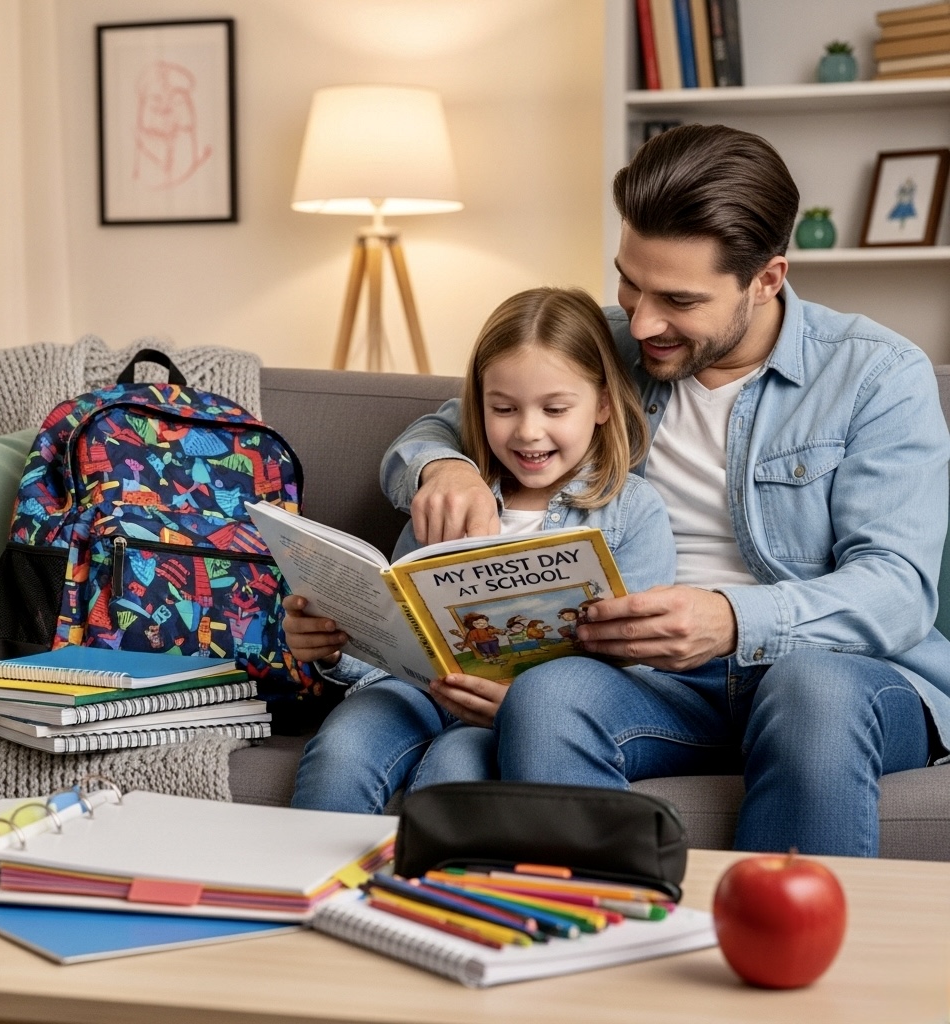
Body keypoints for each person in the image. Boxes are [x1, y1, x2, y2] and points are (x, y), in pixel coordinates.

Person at [379, 123, 950, 857]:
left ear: (767, 279)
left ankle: (792, 957)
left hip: (842, 678)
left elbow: (899, 589)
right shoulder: (610, 345)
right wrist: (442, 466)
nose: (642, 321)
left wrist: (734, 620)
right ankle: (590, 940)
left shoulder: (875, 375)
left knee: (810, 689)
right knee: (551, 695)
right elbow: (432, 429)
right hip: (659, 684)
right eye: (628, 281)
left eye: (677, 298)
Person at [283, 287, 677, 813]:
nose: (528, 431)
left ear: (603, 403)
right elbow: (397, 625)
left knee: (455, 768)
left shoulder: (633, 510)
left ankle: (427, 896)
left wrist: (527, 708)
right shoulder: (451, 496)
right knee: (341, 750)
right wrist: (334, 645)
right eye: (504, 408)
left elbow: (637, 664)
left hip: (524, 712)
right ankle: (310, 892)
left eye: (555, 408)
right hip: (414, 690)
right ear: (478, 404)